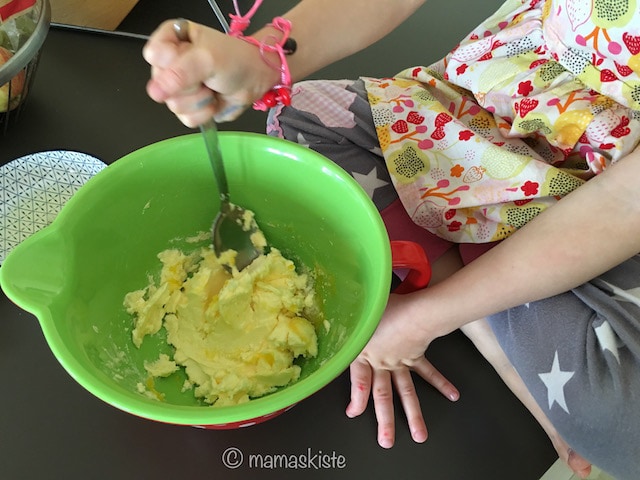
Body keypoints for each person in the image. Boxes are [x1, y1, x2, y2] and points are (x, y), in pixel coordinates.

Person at [143, 1, 640, 478]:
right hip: (494, 105)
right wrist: (264, 56)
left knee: (623, 433)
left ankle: (477, 290)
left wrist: (422, 317)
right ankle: (490, 315)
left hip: (605, 197)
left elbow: (624, 204)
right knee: (300, 129)